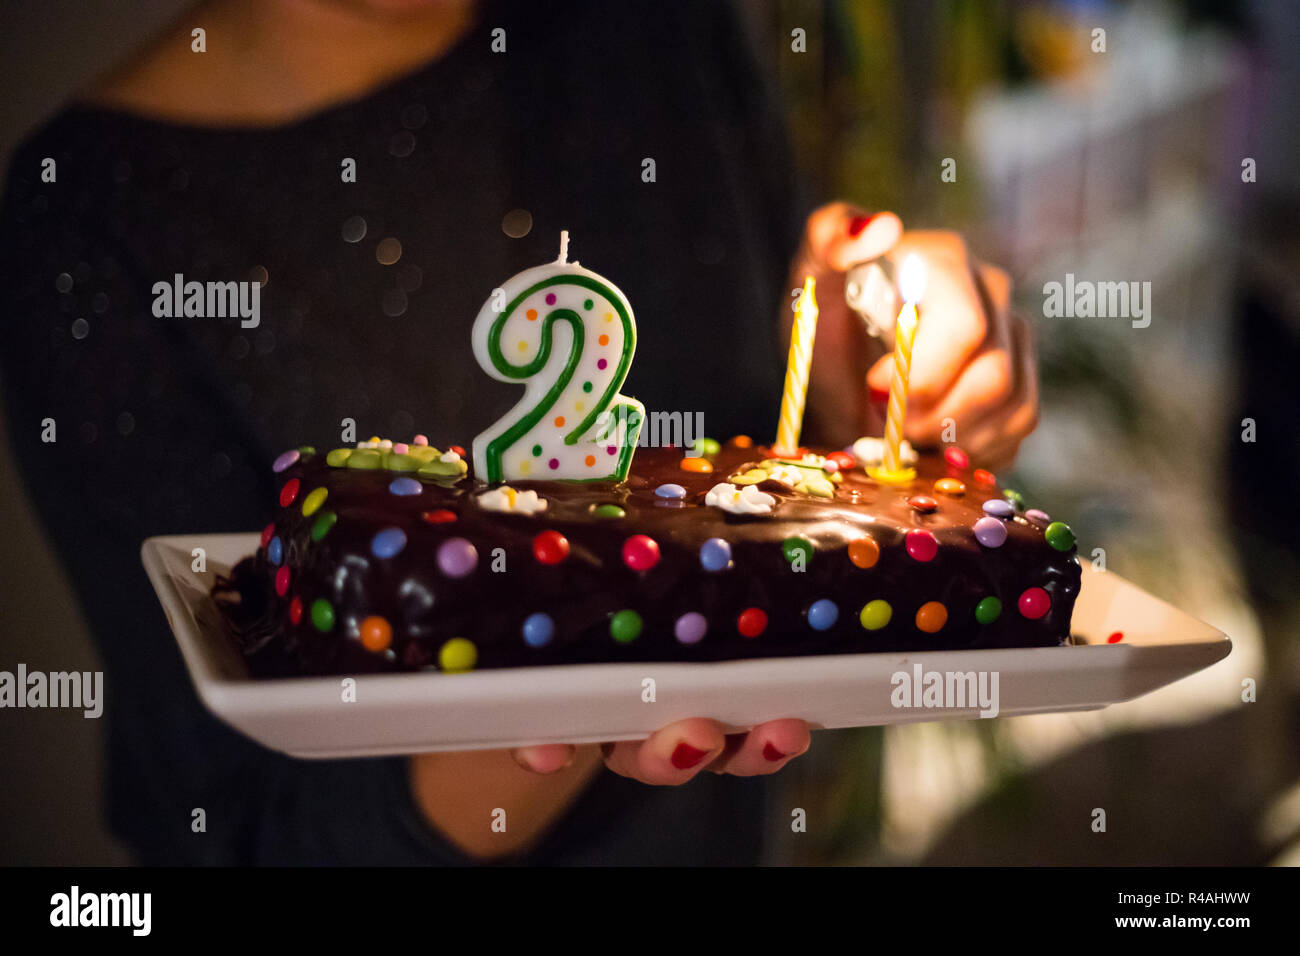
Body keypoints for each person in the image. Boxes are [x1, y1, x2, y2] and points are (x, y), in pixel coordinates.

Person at [0, 0, 1036, 864]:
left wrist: (870, 390)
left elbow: (768, 457)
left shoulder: (659, 25)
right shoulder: (85, 213)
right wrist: (573, 664)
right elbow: (233, 823)